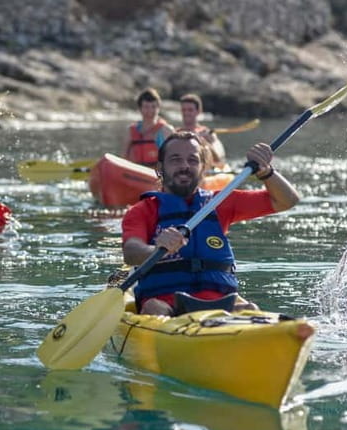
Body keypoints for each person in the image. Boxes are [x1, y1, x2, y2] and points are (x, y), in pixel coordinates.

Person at [121, 131, 300, 316]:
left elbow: (287, 201)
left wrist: (267, 172)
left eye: (193, 160)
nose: (185, 166)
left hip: (220, 307)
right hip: (166, 308)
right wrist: (155, 249)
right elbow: (131, 252)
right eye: (175, 159)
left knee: (250, 310)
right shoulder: (142, 211)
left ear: (202, 168)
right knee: (153, 308)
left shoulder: (220, 203)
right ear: (160, 168)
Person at [121, 87, 174, 167]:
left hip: (158, 175)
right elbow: (123, 157)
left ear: (158, 108)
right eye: (146, 107)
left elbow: (175, 158)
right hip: (134, 174)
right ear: (140, 109)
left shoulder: (167, 131)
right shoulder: (130, 131)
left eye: (153, 107)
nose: (150, 110)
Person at [179, 93, 226, 170]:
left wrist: (204, 142)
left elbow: (220, 158)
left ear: (198, 111)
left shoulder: (208, 133)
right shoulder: (174, 132)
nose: (186, 113)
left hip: (202, 169)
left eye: (190, 110)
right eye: (184, 110)